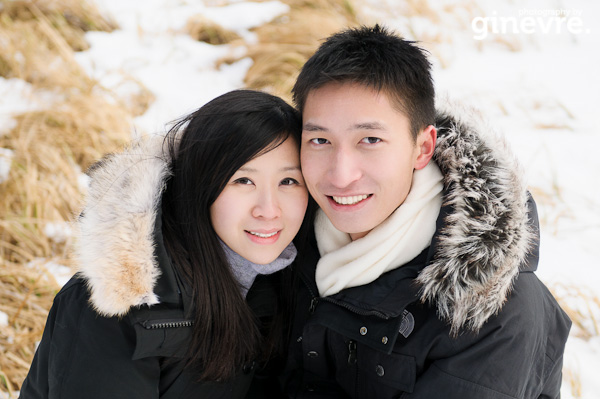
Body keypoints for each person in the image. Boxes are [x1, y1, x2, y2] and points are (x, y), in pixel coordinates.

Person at [281, 25, 571, 398]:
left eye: (370, 140)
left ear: (422, 148)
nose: (341, 175)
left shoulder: (490, 311)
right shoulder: (282, 239)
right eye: (320, 140)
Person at [19, 90, 310, 398]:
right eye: (242, 181)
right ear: (200, 184)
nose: (268, 209)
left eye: (288, 181)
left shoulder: (284, 280)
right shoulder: (124, 305)